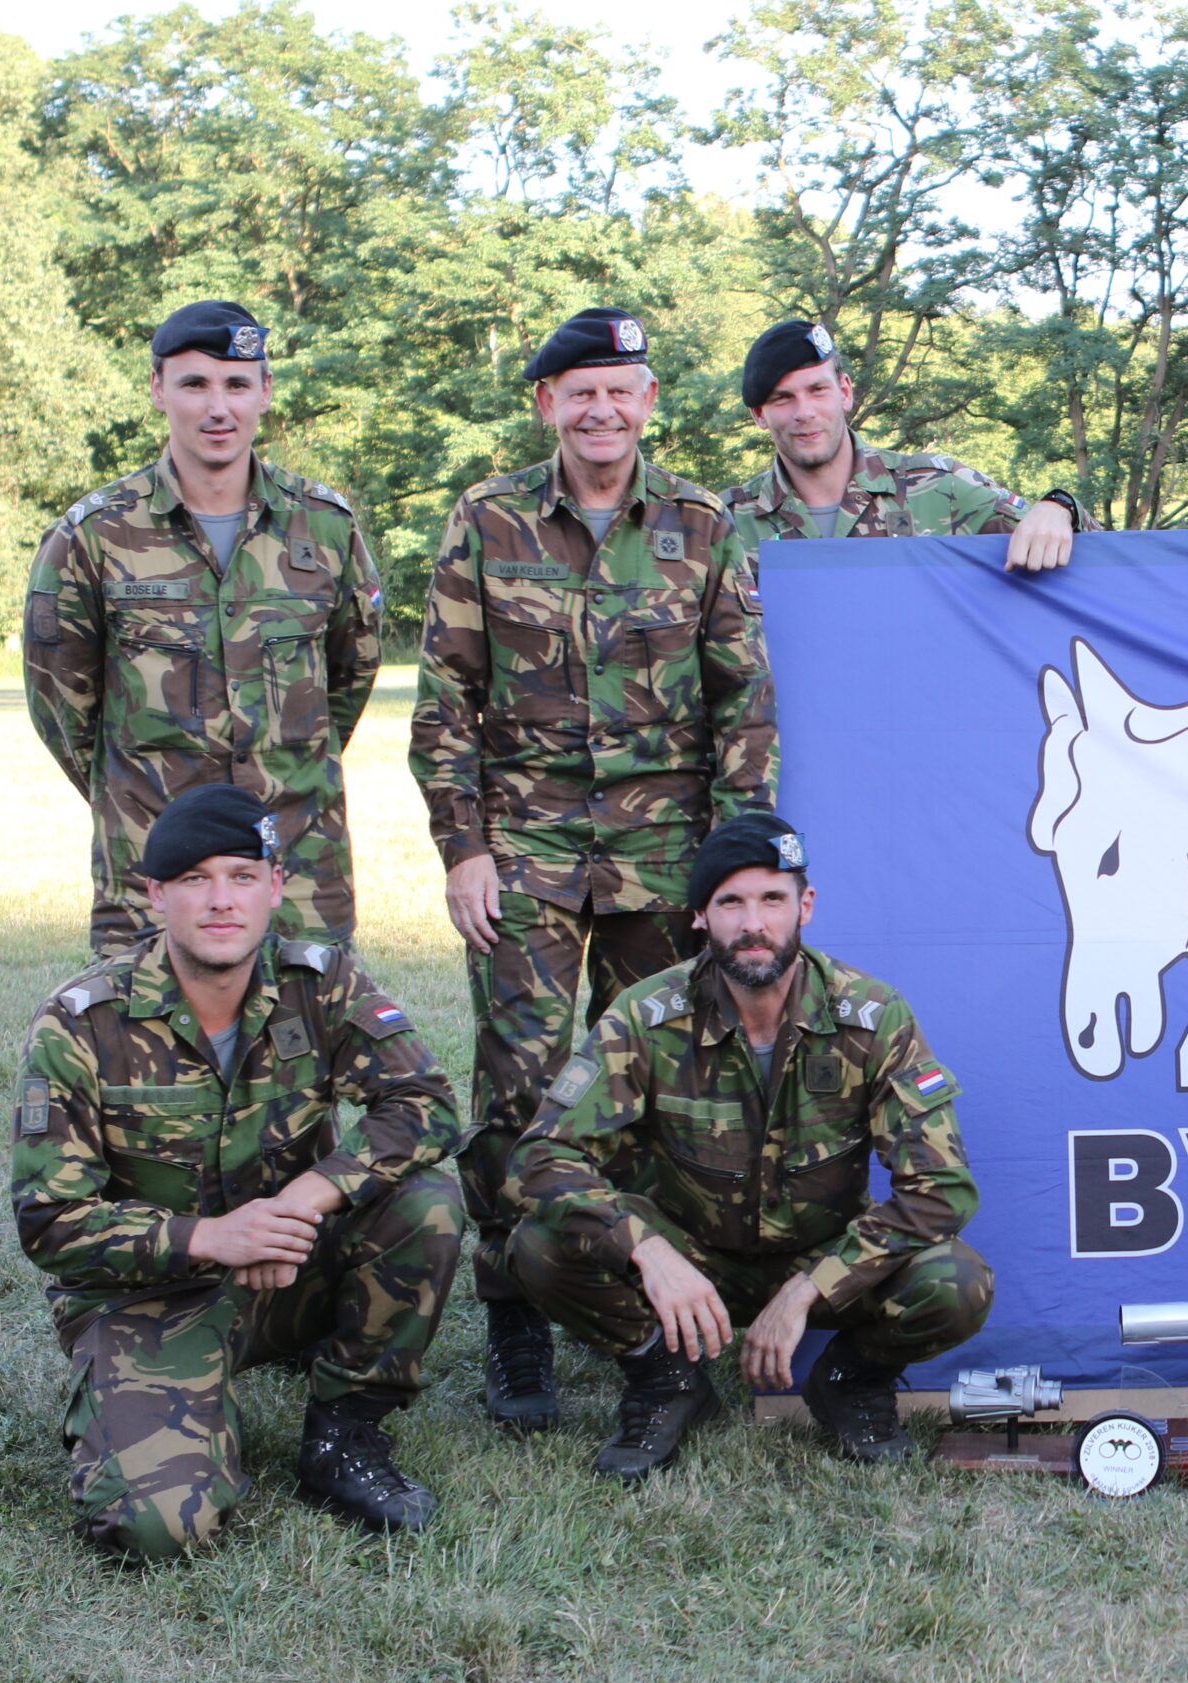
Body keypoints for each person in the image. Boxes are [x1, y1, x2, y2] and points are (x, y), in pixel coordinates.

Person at [408, 306, 771, 1434]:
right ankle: (514, 1306)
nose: (601, 409)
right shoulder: (488, 519)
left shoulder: (701, 525)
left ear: (648, 402)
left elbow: (744, 706)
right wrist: (464, 849)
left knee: (660, 1088)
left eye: (621, 389)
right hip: (527, 852)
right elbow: (444, 701)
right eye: (580, 392)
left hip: (666, 863)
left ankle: (649, 1312)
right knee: (519, 1089)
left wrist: (731, 875)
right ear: (547, 405)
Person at [10, 784, 462, 1560]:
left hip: (288, 1264)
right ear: (156, 894)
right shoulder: (82, 1022)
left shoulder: (318, 983)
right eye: (195, 878)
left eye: (243, 875)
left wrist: (305, 1198)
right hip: (149, 1295)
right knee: (157, 1529)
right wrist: (212, 1237)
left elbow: (427, 1102)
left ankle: (345, 1430)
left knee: (427, 1203)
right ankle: (171, 1407)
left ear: (274, 885)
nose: (222, 900)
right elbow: (50, 1221)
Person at [501, 812, 992, 1479]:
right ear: (700, 916)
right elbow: (540, 1160)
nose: (753, 923)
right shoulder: (646, 1017)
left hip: (824, 1255)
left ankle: (849, 1381)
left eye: (772, 899)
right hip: (691, 1253)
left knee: (956, 1282)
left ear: (805, 906)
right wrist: (648, 1251)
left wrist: (807, 1289)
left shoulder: (873, 1017)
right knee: (539, 1245)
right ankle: (665, 1380)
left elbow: (942, 1188)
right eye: (730, 902)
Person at [23, 300, 384, 955]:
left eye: (237, 384)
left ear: (265, 392)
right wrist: (133, 791)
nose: (218, 408)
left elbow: (350, 673)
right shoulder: (95, 535)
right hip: (154, 867)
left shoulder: (326, 527)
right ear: (158, 388)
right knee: (149, 1020)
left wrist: (284, 763)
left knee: (303, 1018)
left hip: (296, 862)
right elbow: (61, 705)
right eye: (194, 384)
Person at [721, 318, 1079, 609]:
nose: (805, 412)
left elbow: (1096, 557)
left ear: (844, 392)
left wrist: (1060, 508)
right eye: (783, 398)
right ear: (759, 415)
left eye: (818, 390)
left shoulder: (937, 489)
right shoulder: (727, 523)